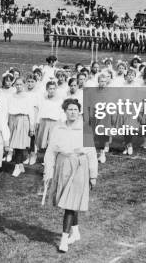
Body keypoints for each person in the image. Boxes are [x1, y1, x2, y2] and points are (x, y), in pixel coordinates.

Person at [43, 98, 97, 253]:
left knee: (69, 204)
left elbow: (92, 153)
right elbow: (51, 151)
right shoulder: (58, 128)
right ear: (65, 111)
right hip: (62, 165)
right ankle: (76, 232)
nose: (72, 112)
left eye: (75, 109)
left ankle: (64, 240)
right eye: (69, 109)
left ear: (79, 111)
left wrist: (93, 175)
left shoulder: (85, 128)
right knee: (68, 202)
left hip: (80, 166)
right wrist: (48, 171)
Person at [7, 78, 36, 177]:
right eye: (17, 85)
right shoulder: (11, 96)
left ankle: (17, 166)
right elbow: (8, 109)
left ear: (24, 85)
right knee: (14, 144)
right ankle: (20, 164)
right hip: (12, 120)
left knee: (19, 145)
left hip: (23, 120)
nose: (18, 86)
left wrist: (31, 126)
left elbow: (31, 112)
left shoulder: (28, 97)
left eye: (20, 84)